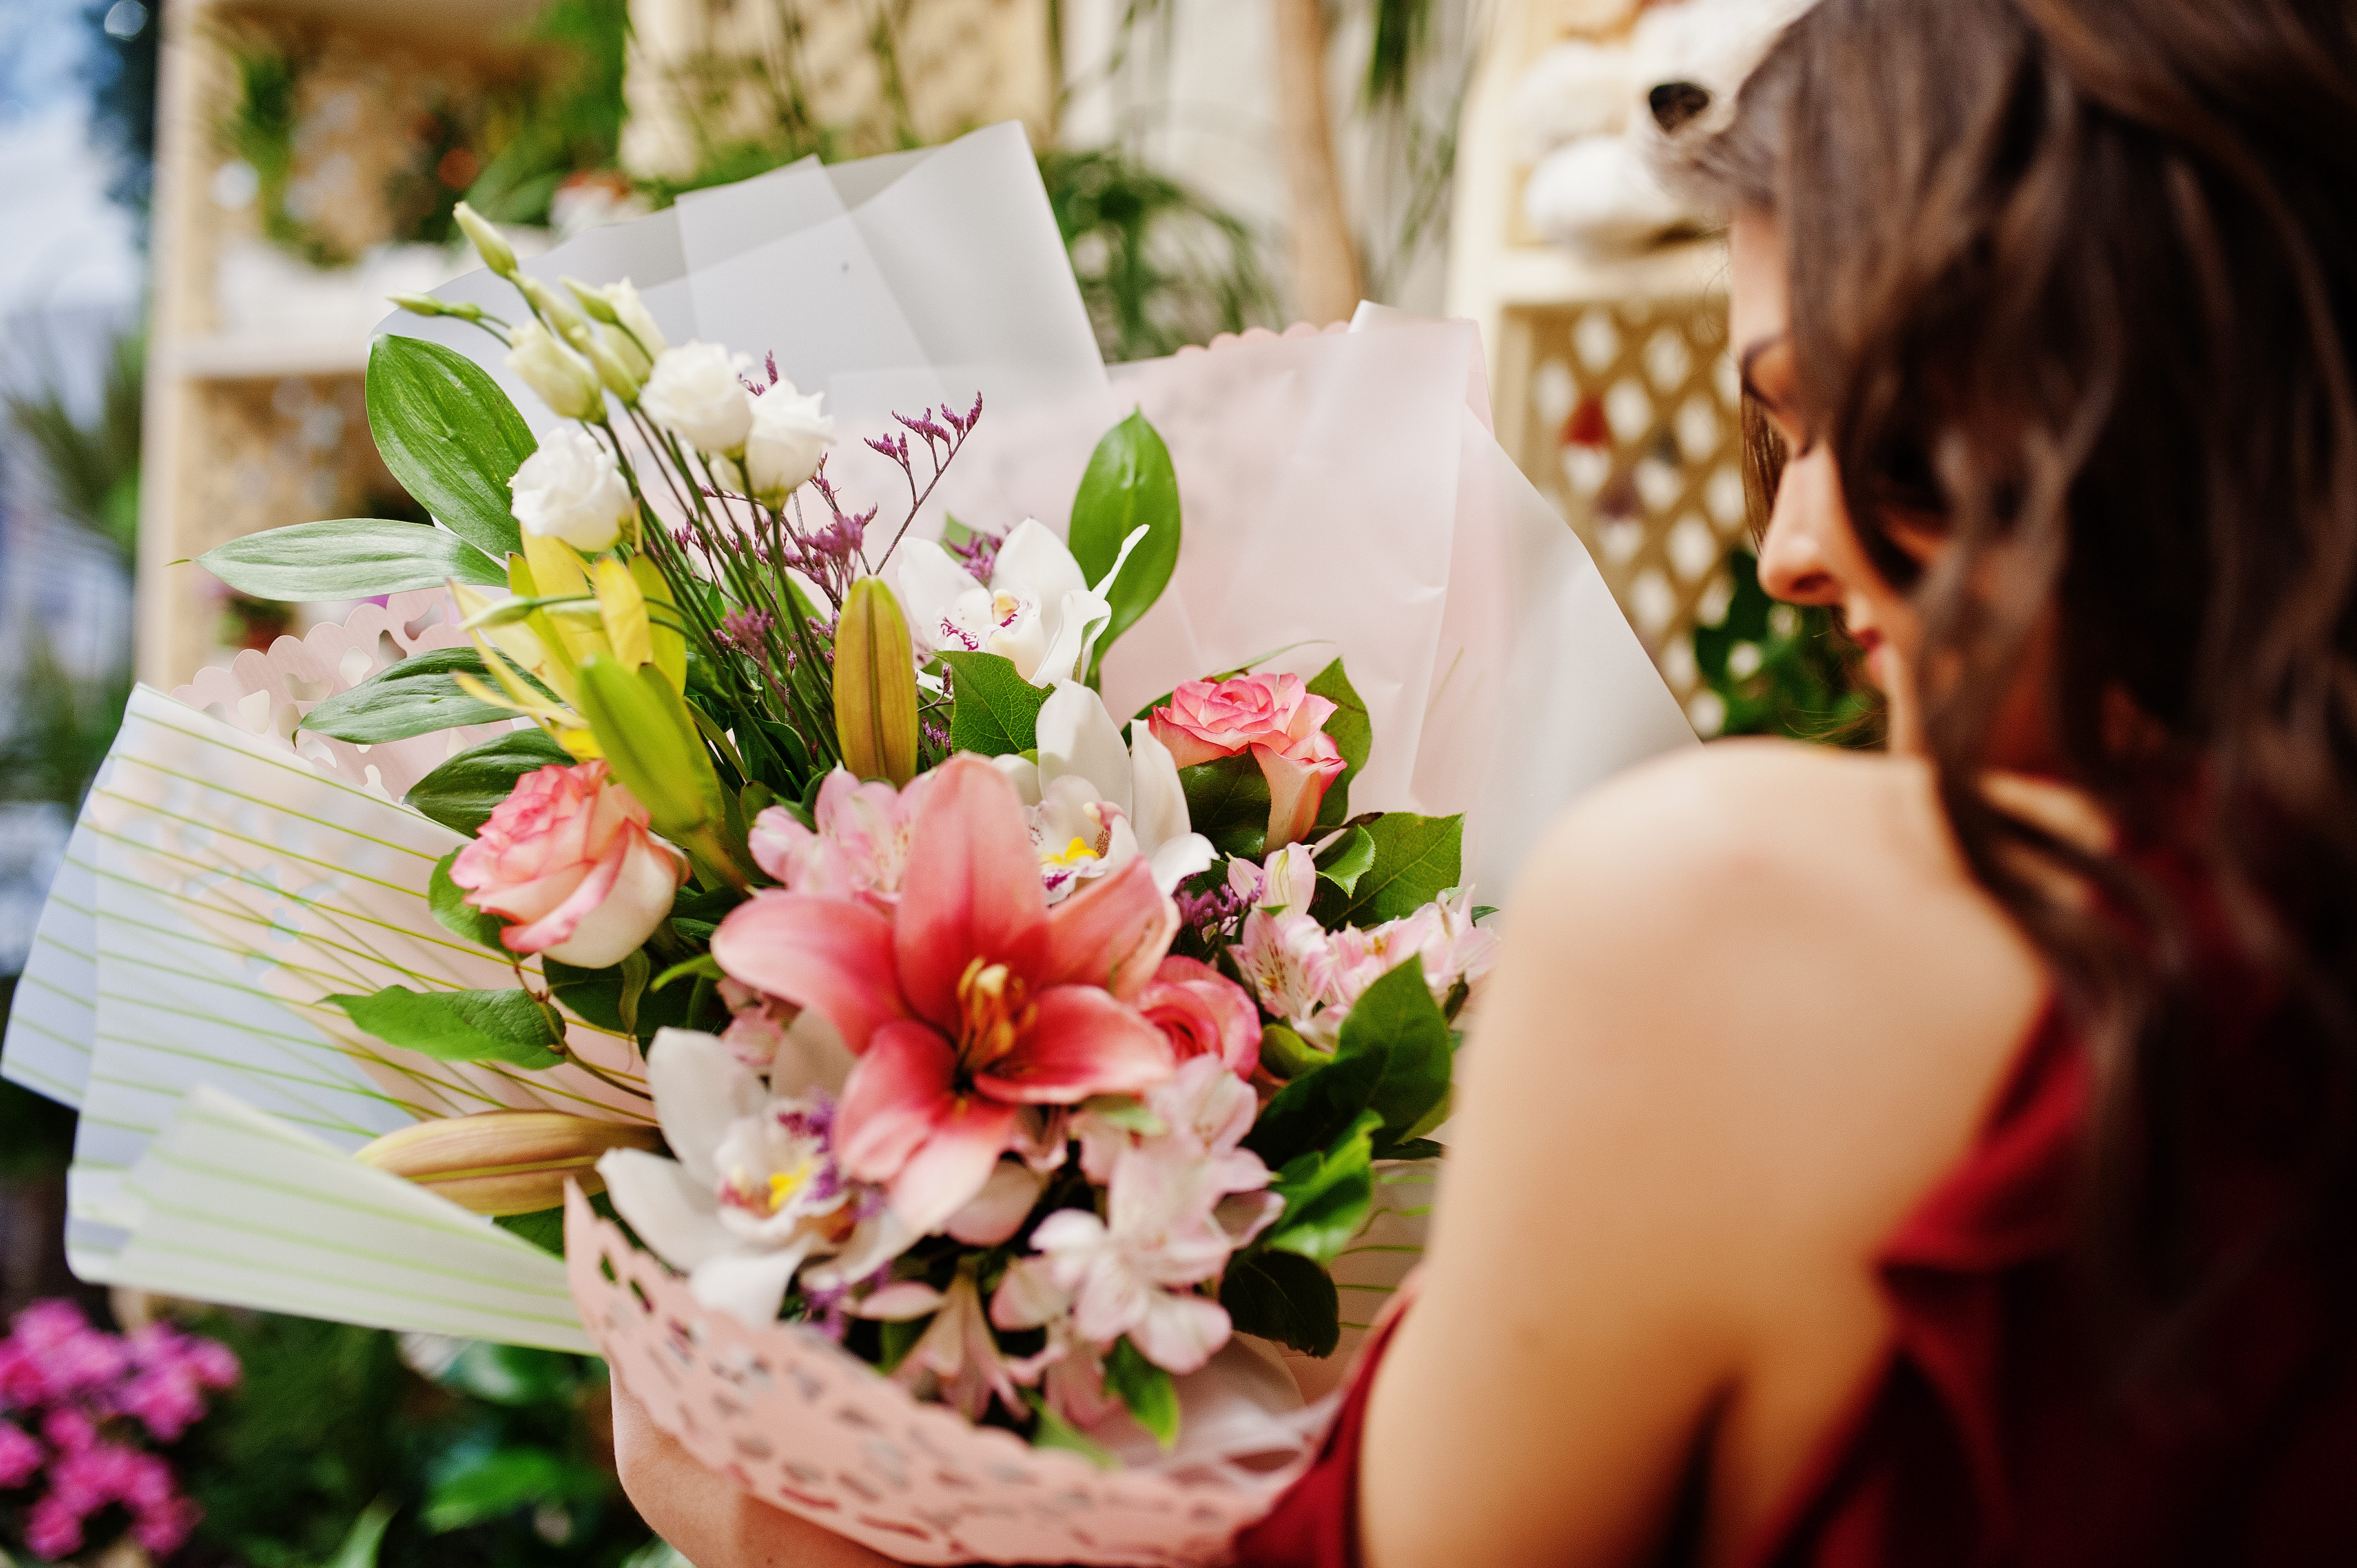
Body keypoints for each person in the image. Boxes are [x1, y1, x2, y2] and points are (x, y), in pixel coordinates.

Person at [613, 0, 2357, 1560]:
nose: (1788, 549)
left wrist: (784, 1505)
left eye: (1878, 424)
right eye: (1781, 435)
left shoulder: (1733, 913)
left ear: (2164, 375)